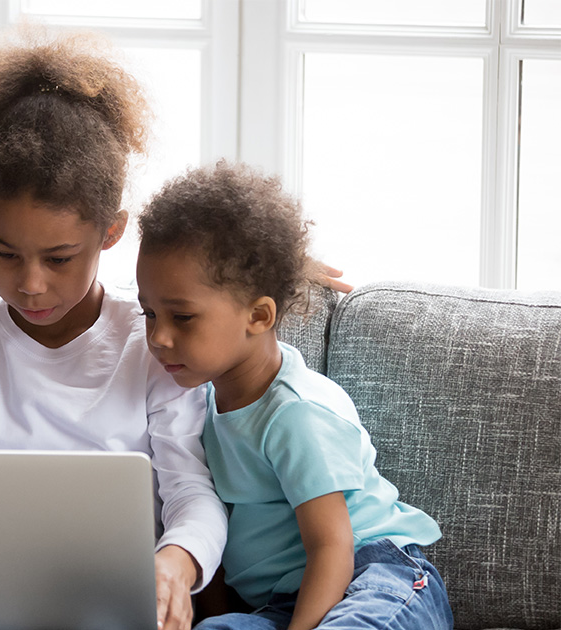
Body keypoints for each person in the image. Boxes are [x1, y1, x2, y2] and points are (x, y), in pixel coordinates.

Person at [0, 30, 228, 630]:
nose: (29, 285)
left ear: (111, 231)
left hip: (109, 608)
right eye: (3, 252)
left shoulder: (155, 349)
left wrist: (174, 565)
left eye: (58, 258)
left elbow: (191, 493)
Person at [135, 161, 452, 630]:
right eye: (148, 313)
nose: (159, 337)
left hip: (376, 575)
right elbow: (217, 547)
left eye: (181, 318)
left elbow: (332, 547)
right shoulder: (196, 407)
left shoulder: (296, 413)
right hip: (284, 603)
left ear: (259, 316)